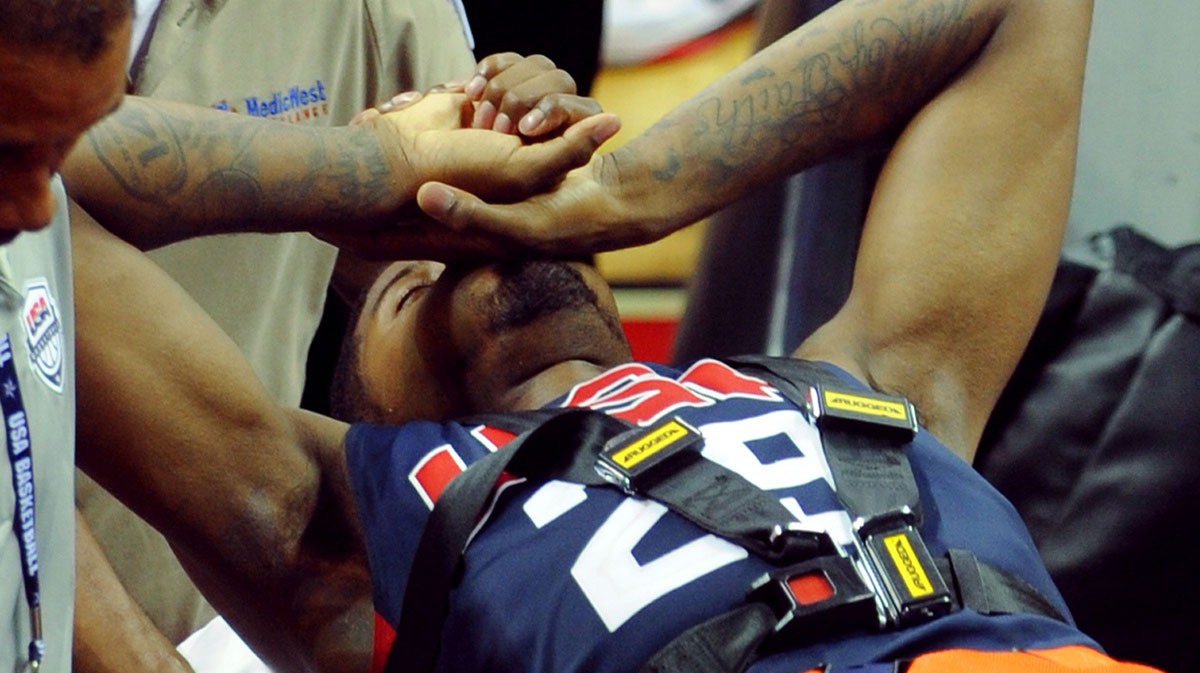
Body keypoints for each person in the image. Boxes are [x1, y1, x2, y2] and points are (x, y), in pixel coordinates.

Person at [68, 0, 1165, 672]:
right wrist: (371, 174)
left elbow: (1019, 7)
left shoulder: (874, 388)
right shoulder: (349, 541)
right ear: (370, 409)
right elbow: (28, 157)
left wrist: (627, 183)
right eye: (418, 260)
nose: (470, 234)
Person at [0, 2, 614, 672]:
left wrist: (395, 164)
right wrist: (371, 165)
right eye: (415, 288)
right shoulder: (358, 560)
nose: (499, 266)